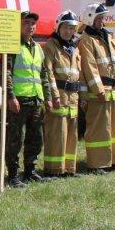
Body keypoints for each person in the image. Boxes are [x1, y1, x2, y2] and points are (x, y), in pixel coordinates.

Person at [77, 3, 115, 171]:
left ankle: (112, 162)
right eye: (98, 18)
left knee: (112, 129)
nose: (101, 21)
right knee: (99, 130)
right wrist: (98, 89)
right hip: (99, 93)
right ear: (90, 19)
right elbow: (89, 67)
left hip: (113, 91)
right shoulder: (86, 40)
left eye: (102, 18)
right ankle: (97, 164)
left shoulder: (108, 36)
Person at [1, 10, 47, 186]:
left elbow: (43, 75)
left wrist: (46, 97)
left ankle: (30, 171)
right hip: (19, 100)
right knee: (15, 139)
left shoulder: (38, 48)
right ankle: (13, 175)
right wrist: (11, 97)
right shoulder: (11, 46)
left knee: (35, 138)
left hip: (36, 99)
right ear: (19, 26)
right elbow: (6, 73)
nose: (30, 26)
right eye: (26, 23)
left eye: (33, 23)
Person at [41, 10, 83, 175]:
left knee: (71, 135)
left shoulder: (74, 47)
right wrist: (54, 95)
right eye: (65, 27)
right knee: (57, 134)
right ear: (58, 27)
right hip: (60, 95)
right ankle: (54, 169)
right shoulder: (51, 45)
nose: (68, 31)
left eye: (72, 28)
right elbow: (48, 72)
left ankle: (69, 169)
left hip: (73, 97)